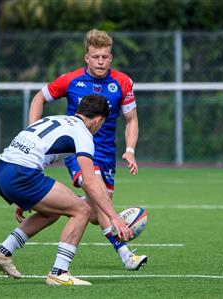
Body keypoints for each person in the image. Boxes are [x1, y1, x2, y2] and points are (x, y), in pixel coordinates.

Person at [28, 29, 147, 270]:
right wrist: (34, 131)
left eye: (105, 57)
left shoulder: (123, 82)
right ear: (87, 57)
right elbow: (39, 98)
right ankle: (126, 255)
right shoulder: (71, 80)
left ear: (111, 58)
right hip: (78, 152)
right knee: (99, 195)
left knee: (95, 211)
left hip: (106, 155)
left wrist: (130, 150)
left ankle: (65, 205)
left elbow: (131, 119)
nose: (100, 61)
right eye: (95, 57)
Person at [0, 94, 132, 286]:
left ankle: (2, 253)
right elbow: (89, 181)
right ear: (98, 120)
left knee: (52, 212)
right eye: (102, 123)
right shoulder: (83, 134)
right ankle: (59, 273)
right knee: (82, 210)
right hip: (21, 174)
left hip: (2, 171)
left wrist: (26, 196)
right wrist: (114, 217)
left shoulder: (57, 119)